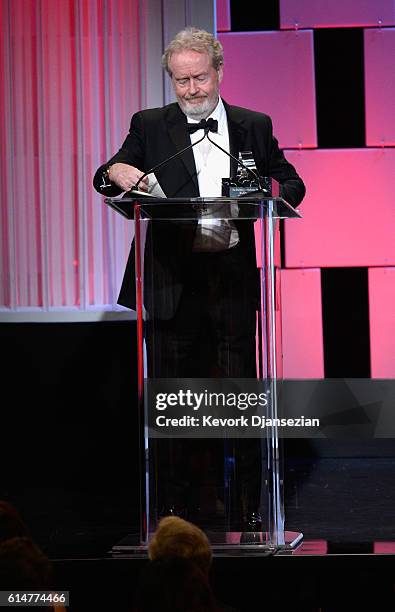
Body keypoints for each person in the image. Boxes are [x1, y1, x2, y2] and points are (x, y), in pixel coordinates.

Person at [93, 27, 305, 527]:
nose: (191, 90)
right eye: (180, 81)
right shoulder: (150, 125)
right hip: (172, 280)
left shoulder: (254, 124)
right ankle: (175, 507)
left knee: (239, 396)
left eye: (199, 79)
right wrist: (119, 171)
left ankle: (251, 507)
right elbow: (107, 173)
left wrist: (266, 194)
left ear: (219, 73)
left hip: (230, 279)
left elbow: (291, 182)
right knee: (175, 398)